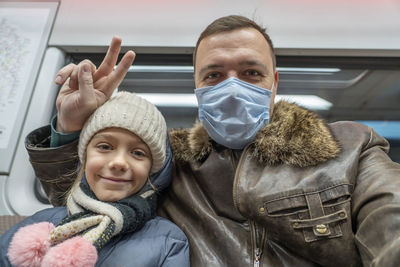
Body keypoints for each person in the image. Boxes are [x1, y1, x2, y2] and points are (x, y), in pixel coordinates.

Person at [21, 15, 400, 266]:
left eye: (250, 72)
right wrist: (71, 127)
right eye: (214, 76)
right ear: (197, 87)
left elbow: (390, 230)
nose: (233, 88)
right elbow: (87, 201)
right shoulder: (172, 164)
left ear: (274, 84)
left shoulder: (350, 148)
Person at [0, 91, 189, 266]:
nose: (119, 162)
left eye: (138, 153)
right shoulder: (39, 223)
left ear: (152, 171)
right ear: (85, 157)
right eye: (105, 147)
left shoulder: (169, 241)